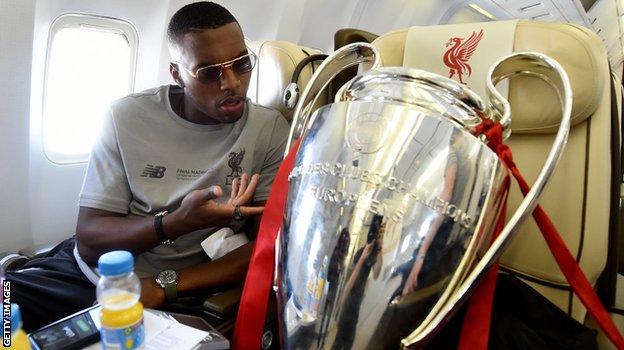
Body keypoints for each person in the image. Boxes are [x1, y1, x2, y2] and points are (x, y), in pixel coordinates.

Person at [7, 1, 290, 332]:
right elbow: (89, 238)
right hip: (91, 275)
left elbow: (266, 247)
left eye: (241, 64)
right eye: (210, 72)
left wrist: (163, 284)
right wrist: (175, 223)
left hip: (180, 291)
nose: (231, 83)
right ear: (177, 74)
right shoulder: (125, 117)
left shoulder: (269, 130)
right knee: (4, 307)